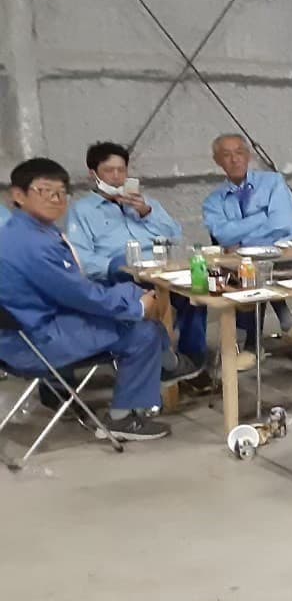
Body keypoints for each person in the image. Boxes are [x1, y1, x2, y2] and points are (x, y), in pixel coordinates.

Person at [0, 159, 199, 440]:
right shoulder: (32, 243)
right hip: (34, 343)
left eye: (61, 192)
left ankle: (167, 365)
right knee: (144, 331)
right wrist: (136, 305)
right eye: (44, 191)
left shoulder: (24, 232)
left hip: (25, 332)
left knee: (135, 307)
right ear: (18, 195)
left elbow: (75, 290)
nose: (56, 199)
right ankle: (127, 414)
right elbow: (79, 294)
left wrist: (131, 300)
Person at [66, 141, 208, 369]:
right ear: (94, 174)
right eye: (109, 170)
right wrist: (115, 266)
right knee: (133, 279)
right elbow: (81, 257)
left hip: (161, 270)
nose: (116, 177)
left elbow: (175, 235)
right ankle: (163, 363)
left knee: (196, 295)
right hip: (120, 275)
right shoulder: (82, 211)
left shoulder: (146, 203)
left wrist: (146, 213)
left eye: (121, 170)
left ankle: (193, 361)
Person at [203, 133, 292, 355]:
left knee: (256, 269)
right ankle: (285, 324)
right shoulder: (213, 201)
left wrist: (241, 240)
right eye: (227, 155)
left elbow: (281, 224)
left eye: (239, 152)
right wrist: (262, 217)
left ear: (249, 155)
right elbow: (223, 235)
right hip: (246, 268)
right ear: (217, 161)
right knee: (253, 270)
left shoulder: (273, 182)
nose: (234, 159)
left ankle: (253, 347)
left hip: (285, 259)